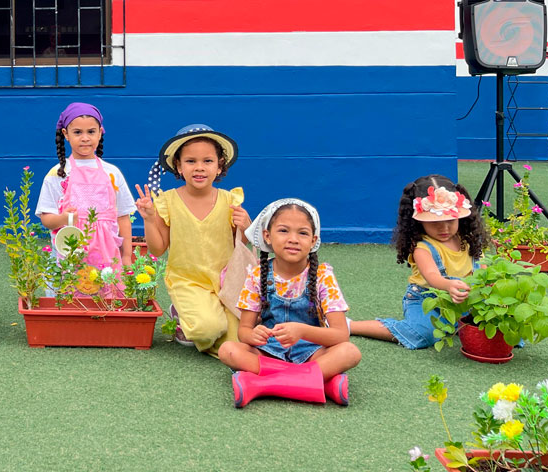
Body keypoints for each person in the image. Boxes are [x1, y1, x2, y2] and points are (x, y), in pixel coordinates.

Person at [218, 199, 361, 407]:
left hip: (313, 352)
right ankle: (322, 383)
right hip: (270, 351)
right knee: (228, 350)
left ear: (313, 240)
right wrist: (254, 335)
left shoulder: (323, 276)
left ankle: (262, 385)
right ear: (267, 235)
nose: (293, 239)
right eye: (283, 231)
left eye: (302, 233)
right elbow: (245, 331)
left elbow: (340, 334)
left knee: (350, 352)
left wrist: (302, 331)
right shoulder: (257, 274)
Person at [134, 124, 250, 355]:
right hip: (188, 282)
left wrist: (245, 227)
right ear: (178, 166)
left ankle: (209, 316)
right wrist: (148, 218)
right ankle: (183, 314)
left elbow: (241, 245)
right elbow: (158, 249)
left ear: (220, 166)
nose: (199, 168)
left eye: (208, 161)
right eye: (190, 161)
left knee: (242, 338)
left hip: (226, 282)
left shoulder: (230, 200)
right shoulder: (168, 201)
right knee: (207, 331)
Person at [350, 175, 487, 349]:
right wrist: (448, 285)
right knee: (422, 333)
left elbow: (483, 269)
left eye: (451, 221)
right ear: (418, 221)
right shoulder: (423, 248)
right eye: (435, 222)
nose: (444, 228)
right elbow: (432, 277)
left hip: (464, 301)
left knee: (499, 320)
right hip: (426, 301)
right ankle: (351, 326)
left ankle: (455, 325)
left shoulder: (468, 241)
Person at [36, 103, 136, 287]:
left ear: (100, 132)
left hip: (107, 253)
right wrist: (63, 218)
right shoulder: (57, 174)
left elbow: (123, 217)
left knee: (107, 296)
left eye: (91, 132)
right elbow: (46, 218)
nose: (85, 138)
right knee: (69, 295)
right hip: (70, 250)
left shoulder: (112, 173)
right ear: (66, 134)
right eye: (77, 132)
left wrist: (127, 255)